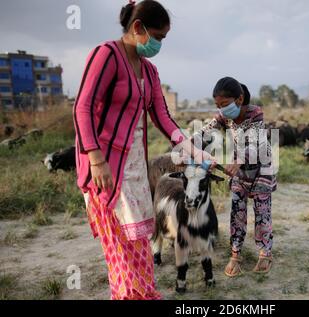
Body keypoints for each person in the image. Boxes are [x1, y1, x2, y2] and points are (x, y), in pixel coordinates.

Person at [73, 0, 214, 300]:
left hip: (136, 170)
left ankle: (143, 294)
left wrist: (192, 150)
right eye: (158, 37)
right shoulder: (106, 56)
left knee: (139, 244)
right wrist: (96, 160)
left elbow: (162, 116)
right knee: (121, 250)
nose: (160, 44)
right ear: (138, 28)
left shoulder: (149, 71)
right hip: (107, 170)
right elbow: (82, 109)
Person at [193, 77, 277, 277]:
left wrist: (238, 160)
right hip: (239, 169)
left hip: (261, 169)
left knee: (262, 212)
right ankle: (236, 254)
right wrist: (187, 145)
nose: (221, 110)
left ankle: (265, 253)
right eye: (218, 106)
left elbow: (256, 144)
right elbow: (206, 132)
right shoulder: (224, 117)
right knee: (237, 211)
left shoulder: (255, 115)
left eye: (224, 104)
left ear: (239, 100)